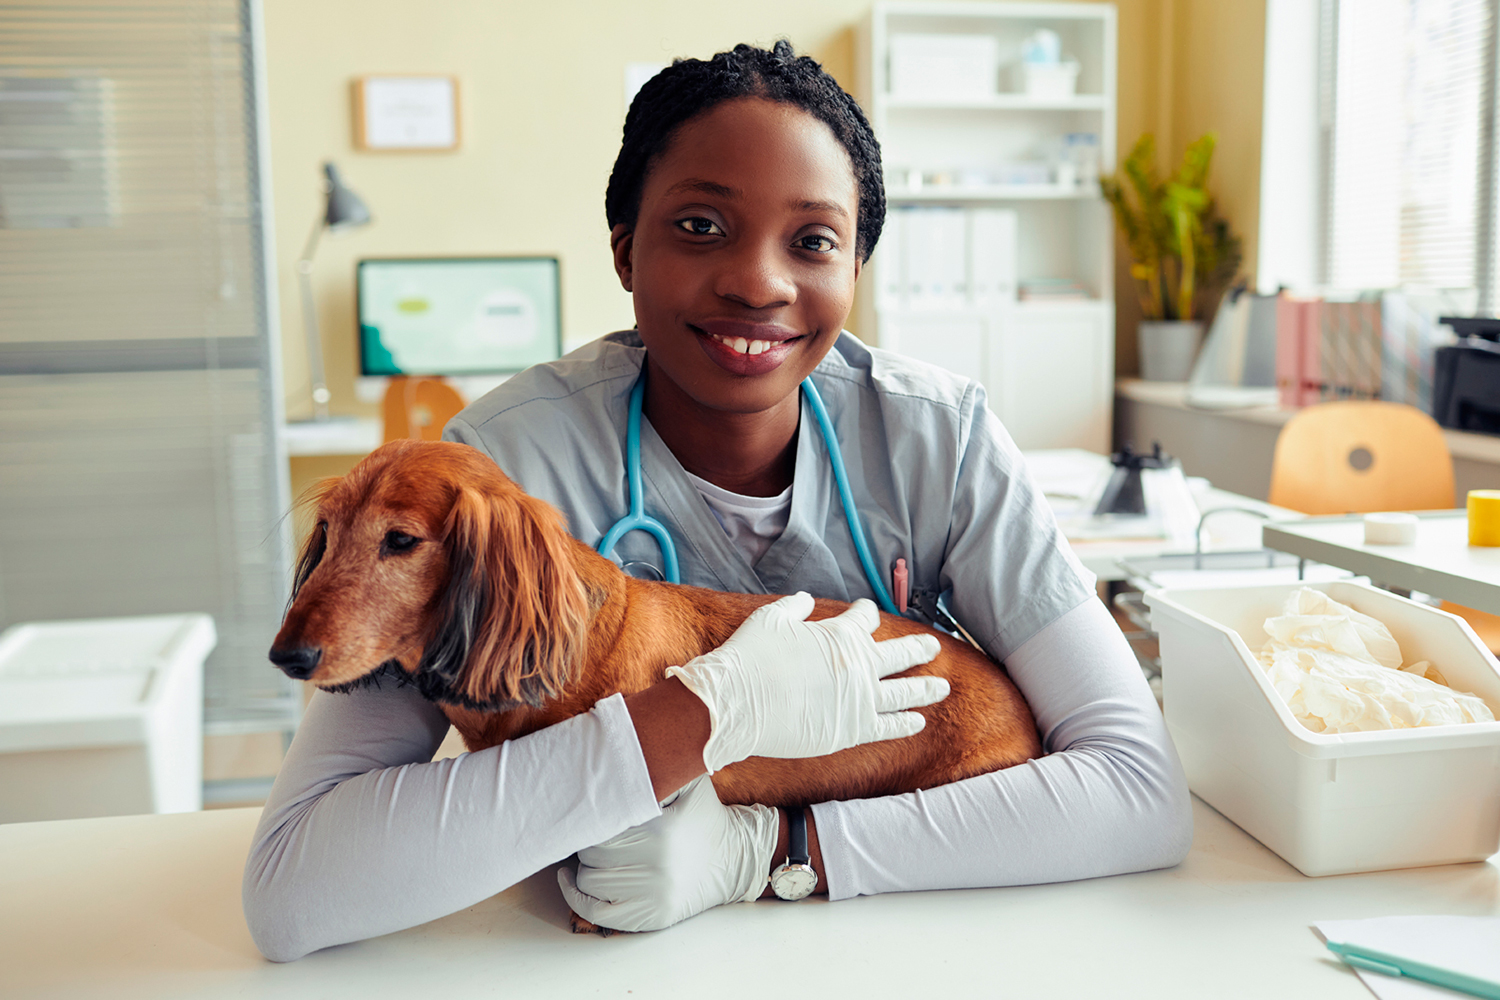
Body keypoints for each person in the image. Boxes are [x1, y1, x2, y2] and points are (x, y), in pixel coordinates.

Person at [243, 41, 1191, 961]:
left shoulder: (940, 441)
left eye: (814, 241)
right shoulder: (494, 470)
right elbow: (294, 892)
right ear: (624, 251)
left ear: (854, 271)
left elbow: (1138, 796)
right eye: (701, 226)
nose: (758, 282)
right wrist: (700, 717)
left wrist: (773, 855)